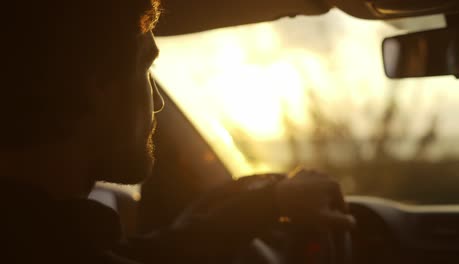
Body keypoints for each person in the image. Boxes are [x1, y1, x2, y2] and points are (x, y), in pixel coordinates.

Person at [0, 1, 354, 263]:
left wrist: (272, 202)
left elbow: (154, 254)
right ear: (97, 83)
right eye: (145, 67)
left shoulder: (35, 238)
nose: (156, 102)